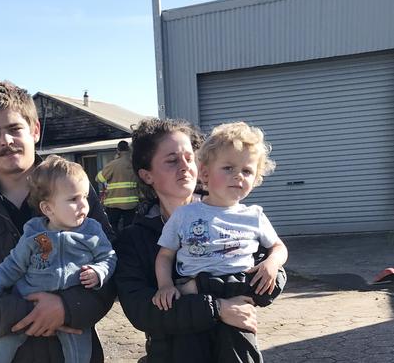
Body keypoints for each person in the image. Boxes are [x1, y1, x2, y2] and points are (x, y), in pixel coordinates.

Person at [0, 80, 116, 363]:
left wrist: (67, 308)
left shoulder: (77, 192)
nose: (6, 141)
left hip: (72, 350)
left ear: (35, 130)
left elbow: (110, 264)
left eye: (14, 129)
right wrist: (33, 314)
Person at [114, 118, 286, 363]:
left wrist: (194, 289)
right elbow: (143, 312)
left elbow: (271, 282)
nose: (185, 166)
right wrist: (218, 308)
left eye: (189, 157)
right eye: (172, 160)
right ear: (147, 175)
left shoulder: (237, 218)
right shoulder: (134, 239)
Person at [0, 155, 117, 363]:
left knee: (80, 349)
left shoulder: (91, 230)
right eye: (73, 199)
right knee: (5, 340)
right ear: (48, 208)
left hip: (71, 310)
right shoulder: (34, 232)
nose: (83, 205)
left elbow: (109, 256)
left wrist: (99, 272)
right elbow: (14, 264)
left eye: (84, 197)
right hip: (27, 303)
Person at [95, 140, 139, 235]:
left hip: (114, 203)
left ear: (118, 150)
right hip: (131, 204)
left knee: (112, 228)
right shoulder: (135, 164)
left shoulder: (113, 164)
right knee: (129, 228)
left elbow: (99, 178)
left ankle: (116, 245)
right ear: (128, 150)